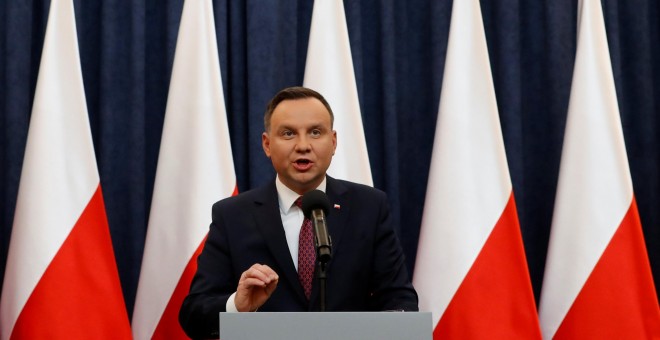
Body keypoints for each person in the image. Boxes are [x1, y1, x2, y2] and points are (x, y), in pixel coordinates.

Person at [179, 86, 418, 339]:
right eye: (288, 133)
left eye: (315, 132)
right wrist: (238, 306)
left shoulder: (369, 207)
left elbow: (399, 300)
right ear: (267, 144)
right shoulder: (232, 215)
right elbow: (194, 314)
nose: (303, 145)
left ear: (333, 142)